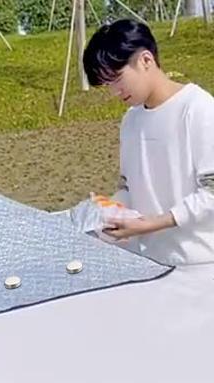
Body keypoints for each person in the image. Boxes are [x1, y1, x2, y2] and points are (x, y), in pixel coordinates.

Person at [82, 20, 214, 267]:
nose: (115, 92)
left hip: (201, 263)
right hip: (149, 263)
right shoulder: (131, 120)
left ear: (146, 60)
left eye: (117, 79)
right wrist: (107, 209)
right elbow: (129, 186)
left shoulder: (197, 109)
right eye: (107, 84)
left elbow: (211, 191)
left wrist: (152, 224)